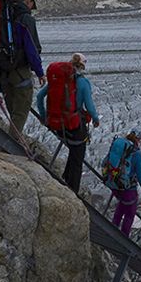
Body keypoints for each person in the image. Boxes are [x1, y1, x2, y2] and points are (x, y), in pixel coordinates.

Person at [36, 52, 99, 193]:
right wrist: (96, 119)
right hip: (73, 127)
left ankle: (66, 177)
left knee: (73, 150)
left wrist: (44, 117)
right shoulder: (83, 83)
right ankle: (72, 192)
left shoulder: (60, 80)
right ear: (82, 66)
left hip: (57, 126)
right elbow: (89, 107)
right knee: (78, 158)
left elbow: (39, 97)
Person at [0, 0, 45, 140]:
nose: (31, 7)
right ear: (28, 0)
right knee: (21, 110)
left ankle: (11, 139)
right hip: (20, 71)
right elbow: (32, 48)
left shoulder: (2, 15)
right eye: (32, 3)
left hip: (2, 71)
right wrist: (39, 72)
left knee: (13, 110)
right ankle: (10, 144)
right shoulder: (25, 19)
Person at [108, 130, 141, 236]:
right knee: (130, 213)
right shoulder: (136, 153)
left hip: (114, 183)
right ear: (138, 139)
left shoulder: (122, 147)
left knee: (121, 206)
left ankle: (112, 231)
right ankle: (123, 238)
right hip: (127, 187)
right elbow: (140, 175)